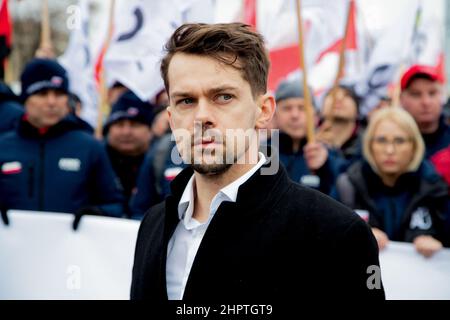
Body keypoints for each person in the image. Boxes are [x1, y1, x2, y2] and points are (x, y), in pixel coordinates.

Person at [130, 23, 384, 301]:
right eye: (186, 101)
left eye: (223, 97)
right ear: (170, 118)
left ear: (263, 111)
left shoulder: (336, 233)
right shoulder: (154, 224)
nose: (202, 116)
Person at [0, 58, 124, 225]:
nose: (52, 102)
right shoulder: (3, 147)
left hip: (70, 249)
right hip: (14, 249)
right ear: (26, 99)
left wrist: (97, 213)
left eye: (59, 94)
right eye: (42, 94)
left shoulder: (90, 147)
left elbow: (117, 206)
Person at [336, 107, 448, 256]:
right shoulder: (349, 186)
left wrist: (437, 242)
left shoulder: (435, 188)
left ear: (414, 146)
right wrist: (358, 235)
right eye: (381, 140)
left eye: (399, 141)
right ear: (369, 144)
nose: (389, 150)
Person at [273, 76, 342, 196]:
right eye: (287, 108)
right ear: (274, 115)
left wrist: (325, 167)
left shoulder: (330, 154)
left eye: (302, 108)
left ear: (315, 116)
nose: (294, 115)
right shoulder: (262, 152)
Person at [103, 90, 155, 217]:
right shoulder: (94, 159)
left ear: (150, 130)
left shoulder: (159, 162)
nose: (126, 132)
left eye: (135, 124)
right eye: (119, 124)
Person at [400, 64, 450, 158]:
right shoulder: (388, 142)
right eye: (416, 94)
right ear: (402, 99)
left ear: (442, 96)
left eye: (432, 93)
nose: (426, 102)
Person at [317, 84, 364, 171]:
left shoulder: (368, 146)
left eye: (347, 95)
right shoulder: (306, 143)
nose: (338, 98)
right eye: (332, 94)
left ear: (357, 110)